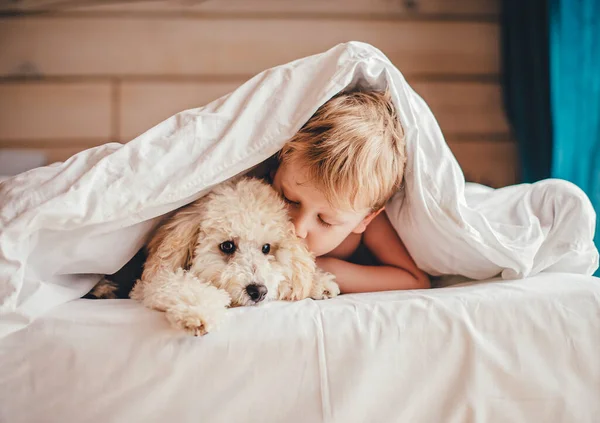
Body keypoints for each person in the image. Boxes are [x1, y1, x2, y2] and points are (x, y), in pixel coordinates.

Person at [268, 90, 430, 293]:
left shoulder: (368, 222)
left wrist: (326, 269)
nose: (297, 227)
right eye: (289, 199)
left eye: (325, 220)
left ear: (365, 220)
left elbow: (415, 281)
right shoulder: (257, 190)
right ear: (274, 173)